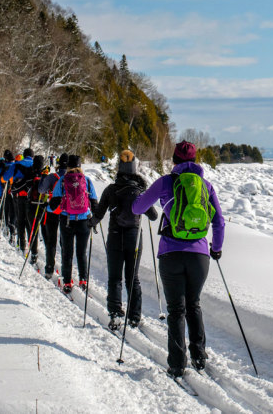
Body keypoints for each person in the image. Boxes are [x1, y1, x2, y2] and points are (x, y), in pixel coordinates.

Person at [131, 140, 225, 377]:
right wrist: (217, 248)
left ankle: (176, 364)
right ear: (196, 161)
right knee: (193, 304)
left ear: (173, 160)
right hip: (200, 254)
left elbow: (137, 208)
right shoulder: (206, 186)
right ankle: (199, 356)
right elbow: (219, 222)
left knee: (176, 309)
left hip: (170, 252)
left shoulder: (166, 182)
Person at [90, 150, 158, 331]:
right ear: (135, 169)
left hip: (114, 236)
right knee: (132, 278)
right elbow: (153, 216)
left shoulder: (111, 189)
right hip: (134, 238)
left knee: (114, 278)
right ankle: (134, 316)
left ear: (119, 169)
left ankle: (114, 314)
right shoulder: (140, 191)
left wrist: (90, 224)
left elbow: (98, 214)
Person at [49, 155, 98, 293]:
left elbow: (54, 204)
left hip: (67, 220)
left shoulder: (63, 181)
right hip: (84, 221)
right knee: (81, 252)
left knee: (67, 252)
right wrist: (94, 220)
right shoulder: (87, 180)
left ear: (68, 167)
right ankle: (83, 280)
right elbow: (94, 202)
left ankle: (67, 282)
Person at [39, 153, 68, 279]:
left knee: (51, 241)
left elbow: (41, 190)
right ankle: (66, 271)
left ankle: (49, 268)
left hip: (52, 211)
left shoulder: (52, 177)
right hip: (67, 213)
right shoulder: (73, 177)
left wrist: (43, 177)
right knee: (65, 242)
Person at [4, 148, 35, 253]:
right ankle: (32, 245)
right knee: (30, 221)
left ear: (24, 155)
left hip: (19, 196)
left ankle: (22, 244)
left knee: (20, 219)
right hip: (32, 197)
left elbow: (6, 177)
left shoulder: (16, 164)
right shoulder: (35, 164)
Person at [24, 155, 47, 266]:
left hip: (31, 204)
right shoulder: (46, 174)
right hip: (43, 205)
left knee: (32, 229)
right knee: (44, 229)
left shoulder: (30, 173)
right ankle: (49, 256)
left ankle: (34, 253)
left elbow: (26, 186)